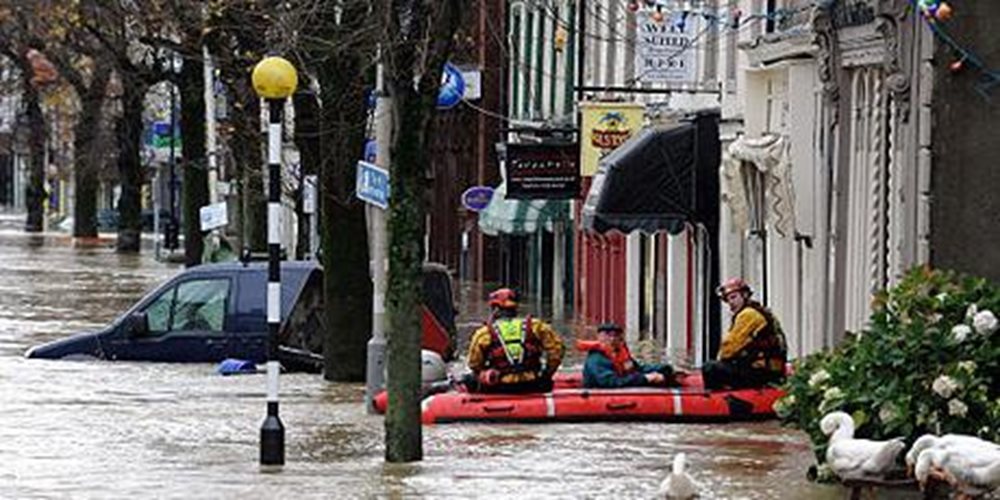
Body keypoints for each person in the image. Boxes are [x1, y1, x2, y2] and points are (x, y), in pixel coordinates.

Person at [463, 288, 565, 393]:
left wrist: (485, 373)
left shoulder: (484, 333)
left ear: (495, 309)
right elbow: (557, 350)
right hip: (533, 384)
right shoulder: (536, 326)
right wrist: (547, 373)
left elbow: (474, 363)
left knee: (469, 379)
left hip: (500, 386)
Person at [703, 277, 788, 390]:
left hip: (761, 373)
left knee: (710, 368)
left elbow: (728, 349)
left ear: (745, 295)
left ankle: (716, 400)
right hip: (772, 370)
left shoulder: (747, 315)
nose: (731, 303)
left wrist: (723, 360)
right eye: (728, 300)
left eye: (734, 297)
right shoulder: (761, 312)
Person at [578, 322, 674, 388]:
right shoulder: (596, 359)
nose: (612, 339)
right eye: (608, 335)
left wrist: (661, 369)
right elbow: (610, 382)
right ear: (599, 337)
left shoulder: (620, 354)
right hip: (600, 396)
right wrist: (645, 379)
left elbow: (637, 369)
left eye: (615, 335)